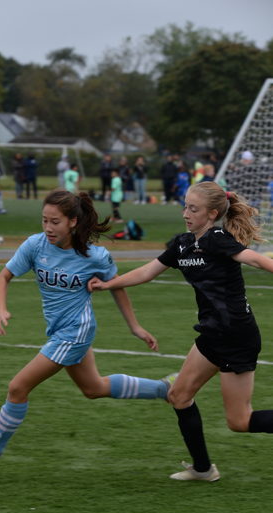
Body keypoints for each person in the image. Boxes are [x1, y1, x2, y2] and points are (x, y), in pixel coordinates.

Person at [0, 189, 173, 466]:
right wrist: (0, 309)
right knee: (93, 388)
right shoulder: (35, 245)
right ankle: (165, 389)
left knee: (18, 387)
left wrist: (135, 327)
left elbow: (117, 287)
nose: (48, 227)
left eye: (55, 222)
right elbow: (3, 277)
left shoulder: (95, 256)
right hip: (59, 331)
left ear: (72, 222)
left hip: (76, 332)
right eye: (44, 220)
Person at [88, 181, 273, 481]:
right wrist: (109, 284)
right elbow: (147, 272)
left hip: (236, 336)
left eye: (194, 209)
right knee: (179, 395)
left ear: (212, 214)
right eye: (185, 206)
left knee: (239, 421)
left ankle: (203, 468)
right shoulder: (182, 244)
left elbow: (252, 258)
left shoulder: (217, 239)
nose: (186, 213)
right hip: (212, 334)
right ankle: (203, 469)